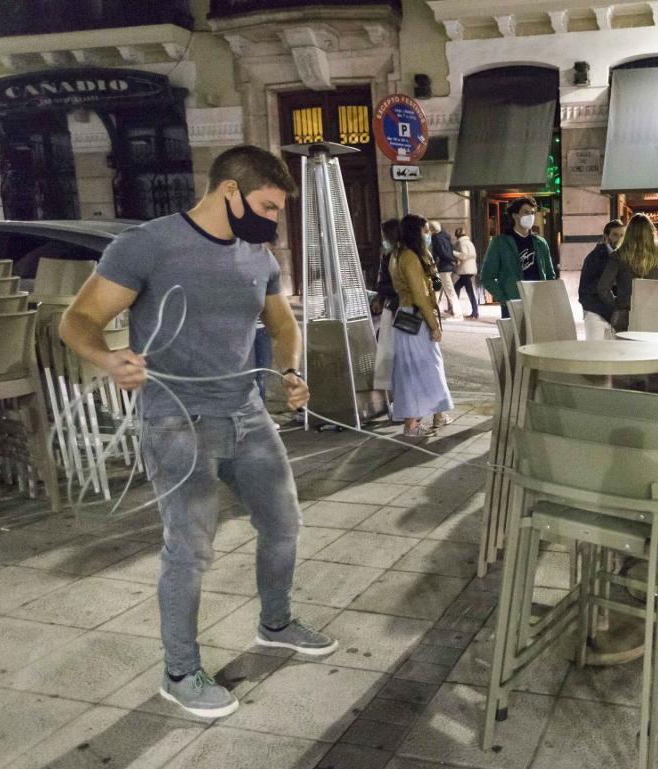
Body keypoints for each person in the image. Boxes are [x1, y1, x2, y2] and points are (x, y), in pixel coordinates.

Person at [58, 144, 338, 720]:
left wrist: (290, 370)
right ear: (230, 191)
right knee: (189, 550)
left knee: (284, 523)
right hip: (176, 421)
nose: (270, 219)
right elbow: (78, 319)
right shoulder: (147, 245)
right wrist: (111, 359)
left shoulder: (257, 255)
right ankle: (180, 672)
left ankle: (276, 623)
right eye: (265, 205)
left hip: (247, 413)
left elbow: (282, 323)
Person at [391, 214, 453, 437]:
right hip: (415, 318)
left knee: (418, 368)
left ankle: (435, 414)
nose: (428, 235)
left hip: (407, 316)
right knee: (422, 368)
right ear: (415, 232)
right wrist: (434, 325)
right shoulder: (409, 257)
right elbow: (420, 295)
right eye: (425, 231)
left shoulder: (400, 254)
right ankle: (412, 424)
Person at [479, 196, 556, 318]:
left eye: (532, 213)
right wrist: (504, 299)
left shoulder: (541, 243)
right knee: (516, 337)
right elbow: (487, 277)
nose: (530, 216)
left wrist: (548, 297)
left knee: (538, 336)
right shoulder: (500, 243)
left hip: (538, 303)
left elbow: (550, 275)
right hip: (513, 304)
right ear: (515, 215)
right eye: (526, 212)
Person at [597, 213, 658, 333]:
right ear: (650, 232)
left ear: (629, 232)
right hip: (649, 313)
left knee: (623, 350)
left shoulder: (618, 255)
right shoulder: (656, 254)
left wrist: (616, 305)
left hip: (624, 313)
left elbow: (602, 287)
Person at [369, 217, 401, 417]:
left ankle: (397, 404)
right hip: (393, 310)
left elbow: (385, 284)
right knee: (391, 359)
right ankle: (393, 403)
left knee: (395, 358)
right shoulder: (388, 256)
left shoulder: (399, 256)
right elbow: (383, 283)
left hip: (397, 311)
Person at [578, 219, 624, 340]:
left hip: (611, 314)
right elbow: (585, 288)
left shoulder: (620, 257)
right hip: (595, 313)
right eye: (615, 234)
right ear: (605, 237)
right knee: (594, 354)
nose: (619, 238)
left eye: (622, 235)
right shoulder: (595, 257)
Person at [428, 220, 461, 318]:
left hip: (443, 266)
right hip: (446, 266)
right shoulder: (445, 236)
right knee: (441, 289)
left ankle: (458, 313)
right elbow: (449, 250)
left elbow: (442, 252)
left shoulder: (436, 238)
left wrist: (451, 259)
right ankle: (434, 310)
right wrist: (453, 259)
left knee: (448, 290)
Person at [452, 226, 479, 320]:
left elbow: (464, 255)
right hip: (469, 269)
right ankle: (457, 309)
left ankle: (474, 312)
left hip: (465, 270)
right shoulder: (469, 242)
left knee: (468, 290)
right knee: (457, 287)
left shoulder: (462, 243)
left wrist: (454, 253)